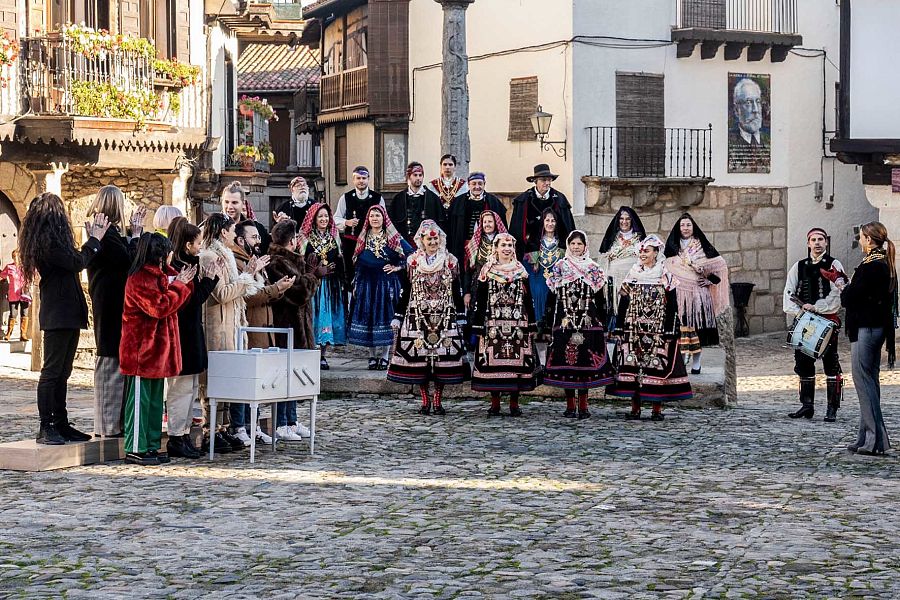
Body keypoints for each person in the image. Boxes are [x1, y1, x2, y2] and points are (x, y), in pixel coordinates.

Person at [18, 192, 110, 445]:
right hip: (58, 314)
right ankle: (46, 426)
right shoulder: (48, 245)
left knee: (63, 372)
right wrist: (94, 240)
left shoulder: (54, 243)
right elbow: (77, 262)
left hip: (67, 313)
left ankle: (60, 422)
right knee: (52, 372)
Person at [120, 233, 194, 466]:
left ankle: (150, 445)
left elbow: (171, 287)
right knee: (141, 403)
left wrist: (179, 280)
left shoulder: (159, 276)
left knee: (153, 404)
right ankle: (136, 447)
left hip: (156, 352)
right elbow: (160, 307)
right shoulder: (140, 278)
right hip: (142, 352)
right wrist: (180, 285)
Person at [199, 212, 265, 453]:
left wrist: (250, 272)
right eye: (231, 229)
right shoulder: (209, 256)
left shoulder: (225, 255)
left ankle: (224, 428)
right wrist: (246, 275)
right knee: (214, 381)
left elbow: (241, 290)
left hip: (232, 324)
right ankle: (210, 432)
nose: (235, 233)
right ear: (222, 232)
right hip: (218, 326)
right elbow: (222, 294)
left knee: (228, 378)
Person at [387, 220, 468, 415]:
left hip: (444, 316)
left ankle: (438, 400)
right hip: (417, 316)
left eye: (435, 238)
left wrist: (460, 316)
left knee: (442, 360)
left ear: (441, 239)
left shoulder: (450, 261)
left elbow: (456, 290)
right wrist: (398, 315)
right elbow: (405, 290)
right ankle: (425, 400)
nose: (433, 242)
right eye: (429, 238)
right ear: (421, 240)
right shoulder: (413, 261)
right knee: (420, 361)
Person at [608, 235, 692, 420]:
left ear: (656, 253)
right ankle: (635, 408)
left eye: (647, 250)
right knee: (633, 367)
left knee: (656, 367)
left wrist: (671, 330)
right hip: (633, 330)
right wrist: (620, 327)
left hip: (658, 331)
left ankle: (656, 409)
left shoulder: (665, 275)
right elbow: (623, 301)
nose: (643, 253)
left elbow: (672, 305)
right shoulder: (633, 273)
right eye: (641, 250)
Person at [86, 185, 145, 439]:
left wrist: (132, 235)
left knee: (117, 360)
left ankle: (115, 423)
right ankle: (107, 426)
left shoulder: (110, 234)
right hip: (109, 303)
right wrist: (135, 237)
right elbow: (127, 261)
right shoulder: (105, 234)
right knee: (109, 360)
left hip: (116, 303)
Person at [229, 219, 292, 446]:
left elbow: (263, 290)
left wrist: (279, 288)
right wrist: (275, 289)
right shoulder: (237, 262)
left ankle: (253, 426)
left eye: (258, 237)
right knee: (245, 381)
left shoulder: (255, 261)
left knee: (257, 384)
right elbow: (249, 295)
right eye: (253, 237)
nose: (258, 241)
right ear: (240, 240)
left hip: (264, 328)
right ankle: (240, 426)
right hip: (249, 329)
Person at [542, 231, 615, 419]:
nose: (576, 247)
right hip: (564, 322)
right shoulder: (559, 267)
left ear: (585, 246)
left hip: (588, 323)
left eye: (579, 244)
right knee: (568, 365)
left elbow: (600, 300)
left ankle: (583, 406)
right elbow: (551, 299)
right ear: (568, 245)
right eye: (573, 243)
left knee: (584, 364)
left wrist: (604, 324)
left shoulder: (594, 269)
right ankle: (569, 405)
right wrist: (547, 323)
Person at [839, 221, 895, 456]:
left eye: (861, 237)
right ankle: (866, 436)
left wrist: (843, 286)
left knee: (864, 381)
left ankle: (875, 439)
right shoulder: (879, 263)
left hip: (867, 328)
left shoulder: (873, 266)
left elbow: (851, 297)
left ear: (869, 240)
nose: (860, 240)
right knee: (869, 381)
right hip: (871, 327)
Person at [470, 232, 541, 416]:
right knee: (494, 365)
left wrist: (532, 325)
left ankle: (514, 403)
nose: (507, 249)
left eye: (510, 246)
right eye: (503, 245)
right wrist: (478, 325)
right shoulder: (487, 270)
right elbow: (480, 299)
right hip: (493, 322)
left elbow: (528, 299)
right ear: (496, 248)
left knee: (516, 364)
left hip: (517, 323)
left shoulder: (521, 271)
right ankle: (495, 403)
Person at [165, 218, 218, 459]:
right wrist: (209, 280)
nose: (200, 247)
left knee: (191, 387)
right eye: (197, 243)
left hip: (191, 332)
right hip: (181, 333)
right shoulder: (178, 266)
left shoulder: (189, 263)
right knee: (181, 389)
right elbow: (190, 300)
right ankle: (176, 435)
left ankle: (184, 433)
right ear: (187, 245)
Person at [267, 219, 325, 441]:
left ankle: (291, 419)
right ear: (291, 240)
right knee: (283, 375)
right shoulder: (277, 263)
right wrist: (315, 276)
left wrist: (307, 270)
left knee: (294, 375)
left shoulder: (290, 259)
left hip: (298, 324)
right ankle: (281, 422)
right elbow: (298, 293)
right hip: (286, 324)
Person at [782, 227, 845, 421]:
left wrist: (817, 307)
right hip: (805, 322)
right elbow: (788, 292)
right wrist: (801, 310)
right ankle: (806, 405)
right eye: (813, 240)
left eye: (821, 239)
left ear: (826, 242)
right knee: (803, 363)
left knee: (831, 364)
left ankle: (831, 409)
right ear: (808, 243)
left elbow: (837, 293)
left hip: (827, 320)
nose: (817, 243)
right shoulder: (798, 266)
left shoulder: (834, 264)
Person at [663, 213, 730, 374]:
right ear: (678, 228)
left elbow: (719, 266)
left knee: (697, 329)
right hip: (677, 294)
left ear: (693, 228)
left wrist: (709, 281)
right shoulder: (672, 246)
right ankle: (680, 360)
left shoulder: (702, 246)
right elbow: (665, 267)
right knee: (680, 329)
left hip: (698, 295)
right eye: (682, 225)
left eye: (688, 225)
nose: (685, 228)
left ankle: (697, 363)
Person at [348, 205, 412, 370]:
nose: (374, 219)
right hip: (366, 283)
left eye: (378, 215)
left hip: (386, 283)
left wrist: (397, 267)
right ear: (368, 220)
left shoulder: (393, 237)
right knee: (369, 319)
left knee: (385, 318)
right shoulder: (363, 237)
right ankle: (371, 356)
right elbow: (357, 262)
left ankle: (384, 356)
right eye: (372, 216)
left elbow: (412, 255)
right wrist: (356, 283)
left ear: (384, 219)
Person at [298, 203, 347, 369]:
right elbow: (300, 262)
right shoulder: (304, 239)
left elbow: (340, 261)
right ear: (313, 219)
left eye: (326, 216)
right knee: (313, 318)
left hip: (331, 286)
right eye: (320, 216)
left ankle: (323, 356)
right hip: (313, 286)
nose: (324, 219)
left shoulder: (335, 237)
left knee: (328, 319)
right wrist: (315, 272)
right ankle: (311, 352)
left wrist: (341, 280)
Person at [509, 164, 576, 258]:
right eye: (543, 180)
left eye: (549, 180)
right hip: (530, 249)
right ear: (535, 181)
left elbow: (568, 226)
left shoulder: (560, 199)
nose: (547, 183)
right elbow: (516, 229)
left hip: (555, 248)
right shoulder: (523, 200)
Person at [334, 166, 385, 287]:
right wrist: (347, 222)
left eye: (364, 178)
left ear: (368, 179)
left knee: (370, 274)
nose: (361, 181)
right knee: (351, 274)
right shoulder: (345, 198)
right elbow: (336, 218)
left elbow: (384, 219)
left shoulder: (377, 198)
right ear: (353, 180)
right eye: (358, 178)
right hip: (351, 242)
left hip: (371, 242)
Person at [523, 208, 566, 338]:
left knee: (552, 295)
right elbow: (526, 264)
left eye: (553, 220)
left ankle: (549, 328)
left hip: (556, 277)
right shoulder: (534, 242)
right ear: (543, 222)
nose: (550, 223)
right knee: (537, 291)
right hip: (537, 276)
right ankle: (536, 327)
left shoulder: (563, 243)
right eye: (547, 220)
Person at [447, 171, 508, 264]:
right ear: (469, 185)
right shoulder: (457, 202)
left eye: (480, 183)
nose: (477, 186)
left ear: (484, 184)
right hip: (463, 246)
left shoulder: (494, 202)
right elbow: (452, 229)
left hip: (487, 246)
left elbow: (502, 228)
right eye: (474, 184)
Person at [597, 206, 646, 300]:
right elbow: (603, 257)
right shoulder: (612, 238)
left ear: (632, 221)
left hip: (634, 282)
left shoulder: (640, 239)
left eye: (628, 219)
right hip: (613, 282)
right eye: (621, 218)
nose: (624, 222)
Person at [388, 162, 440, 244]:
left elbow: (439, 223)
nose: (418, 178)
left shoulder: (433, 198)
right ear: (409, 176)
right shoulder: (399, 198)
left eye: (420, 175)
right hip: (404, 243)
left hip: (427, 244)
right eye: (415, 175)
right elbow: (392, 223)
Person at [221, 181, 271, 254]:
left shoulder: (258, 228)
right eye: (226, 202)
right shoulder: (211, 227)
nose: (230, 207)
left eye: (234, 202)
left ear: (243, 203)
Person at [425, 153, 468, 233]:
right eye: (445, 164)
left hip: (456, 222)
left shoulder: (463, 185)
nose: (447, 167)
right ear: (441, 166)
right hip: (439, 221)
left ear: (455, 167)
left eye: (450, 164)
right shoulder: (432, 185)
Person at [1, 250, 31, 341]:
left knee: (24, 313)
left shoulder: (25, 267)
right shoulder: (9, 267)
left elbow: (31, 276)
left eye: (17, 257)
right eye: (14, 257)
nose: (16, 259)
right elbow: (2, 275)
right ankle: (9, 334)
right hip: (13, 294)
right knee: (13, 314)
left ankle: (23, 335)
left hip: (24, 294)